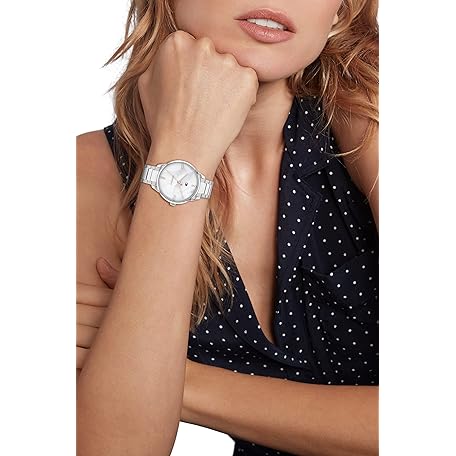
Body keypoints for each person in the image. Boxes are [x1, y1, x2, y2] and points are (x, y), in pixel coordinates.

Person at [77, 1, 379, 455]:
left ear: (339, 11)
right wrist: (182, 154)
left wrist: (178, 381)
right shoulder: (88, 176)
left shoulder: (375, 125)